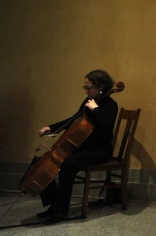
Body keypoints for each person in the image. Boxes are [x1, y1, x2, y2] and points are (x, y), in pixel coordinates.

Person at [36, 70, 118, 224]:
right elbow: (74, 119)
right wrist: (52, 128)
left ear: (101, 87)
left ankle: (61, 211)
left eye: (89, 87)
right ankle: (54, 205)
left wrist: (96, 109)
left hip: (99, 151)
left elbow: (107, 125)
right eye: (84, 87)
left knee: (68, 164)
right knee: (46, 161)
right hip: (83, 148)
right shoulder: (88, 101)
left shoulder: (110, 105)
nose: (86, 91)